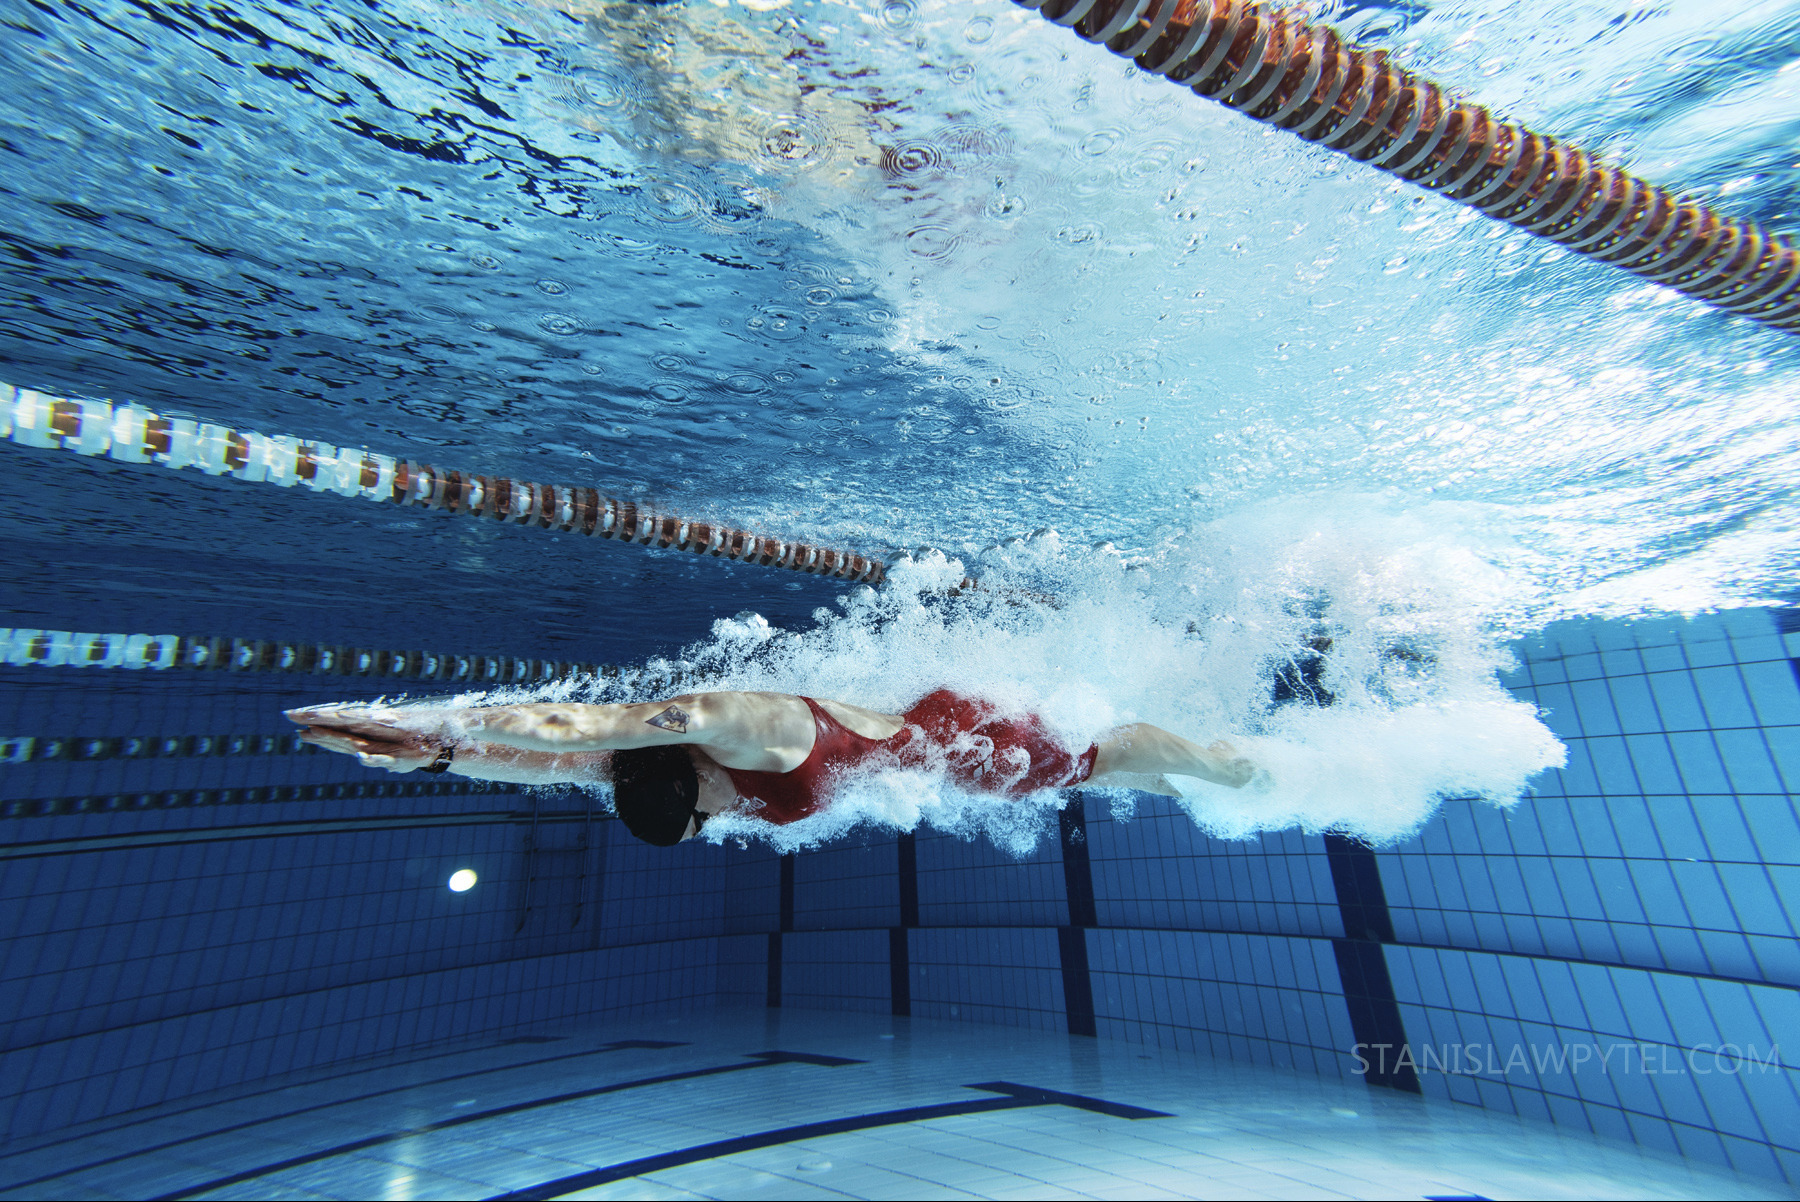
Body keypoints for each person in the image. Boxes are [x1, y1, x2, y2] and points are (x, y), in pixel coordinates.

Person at [288, 689, 1254, 846]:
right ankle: (1175, 771)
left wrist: (430, 718)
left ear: (695, 774)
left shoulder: (748, 731)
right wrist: (448, 757)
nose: (719, 825)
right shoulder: (651, 777)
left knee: (1096, 759)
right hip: (935, 764)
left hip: (961, 743)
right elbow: (541, 766)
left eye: (705, 814)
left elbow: (568, 725)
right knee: (1102, 773)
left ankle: (1224, 766)